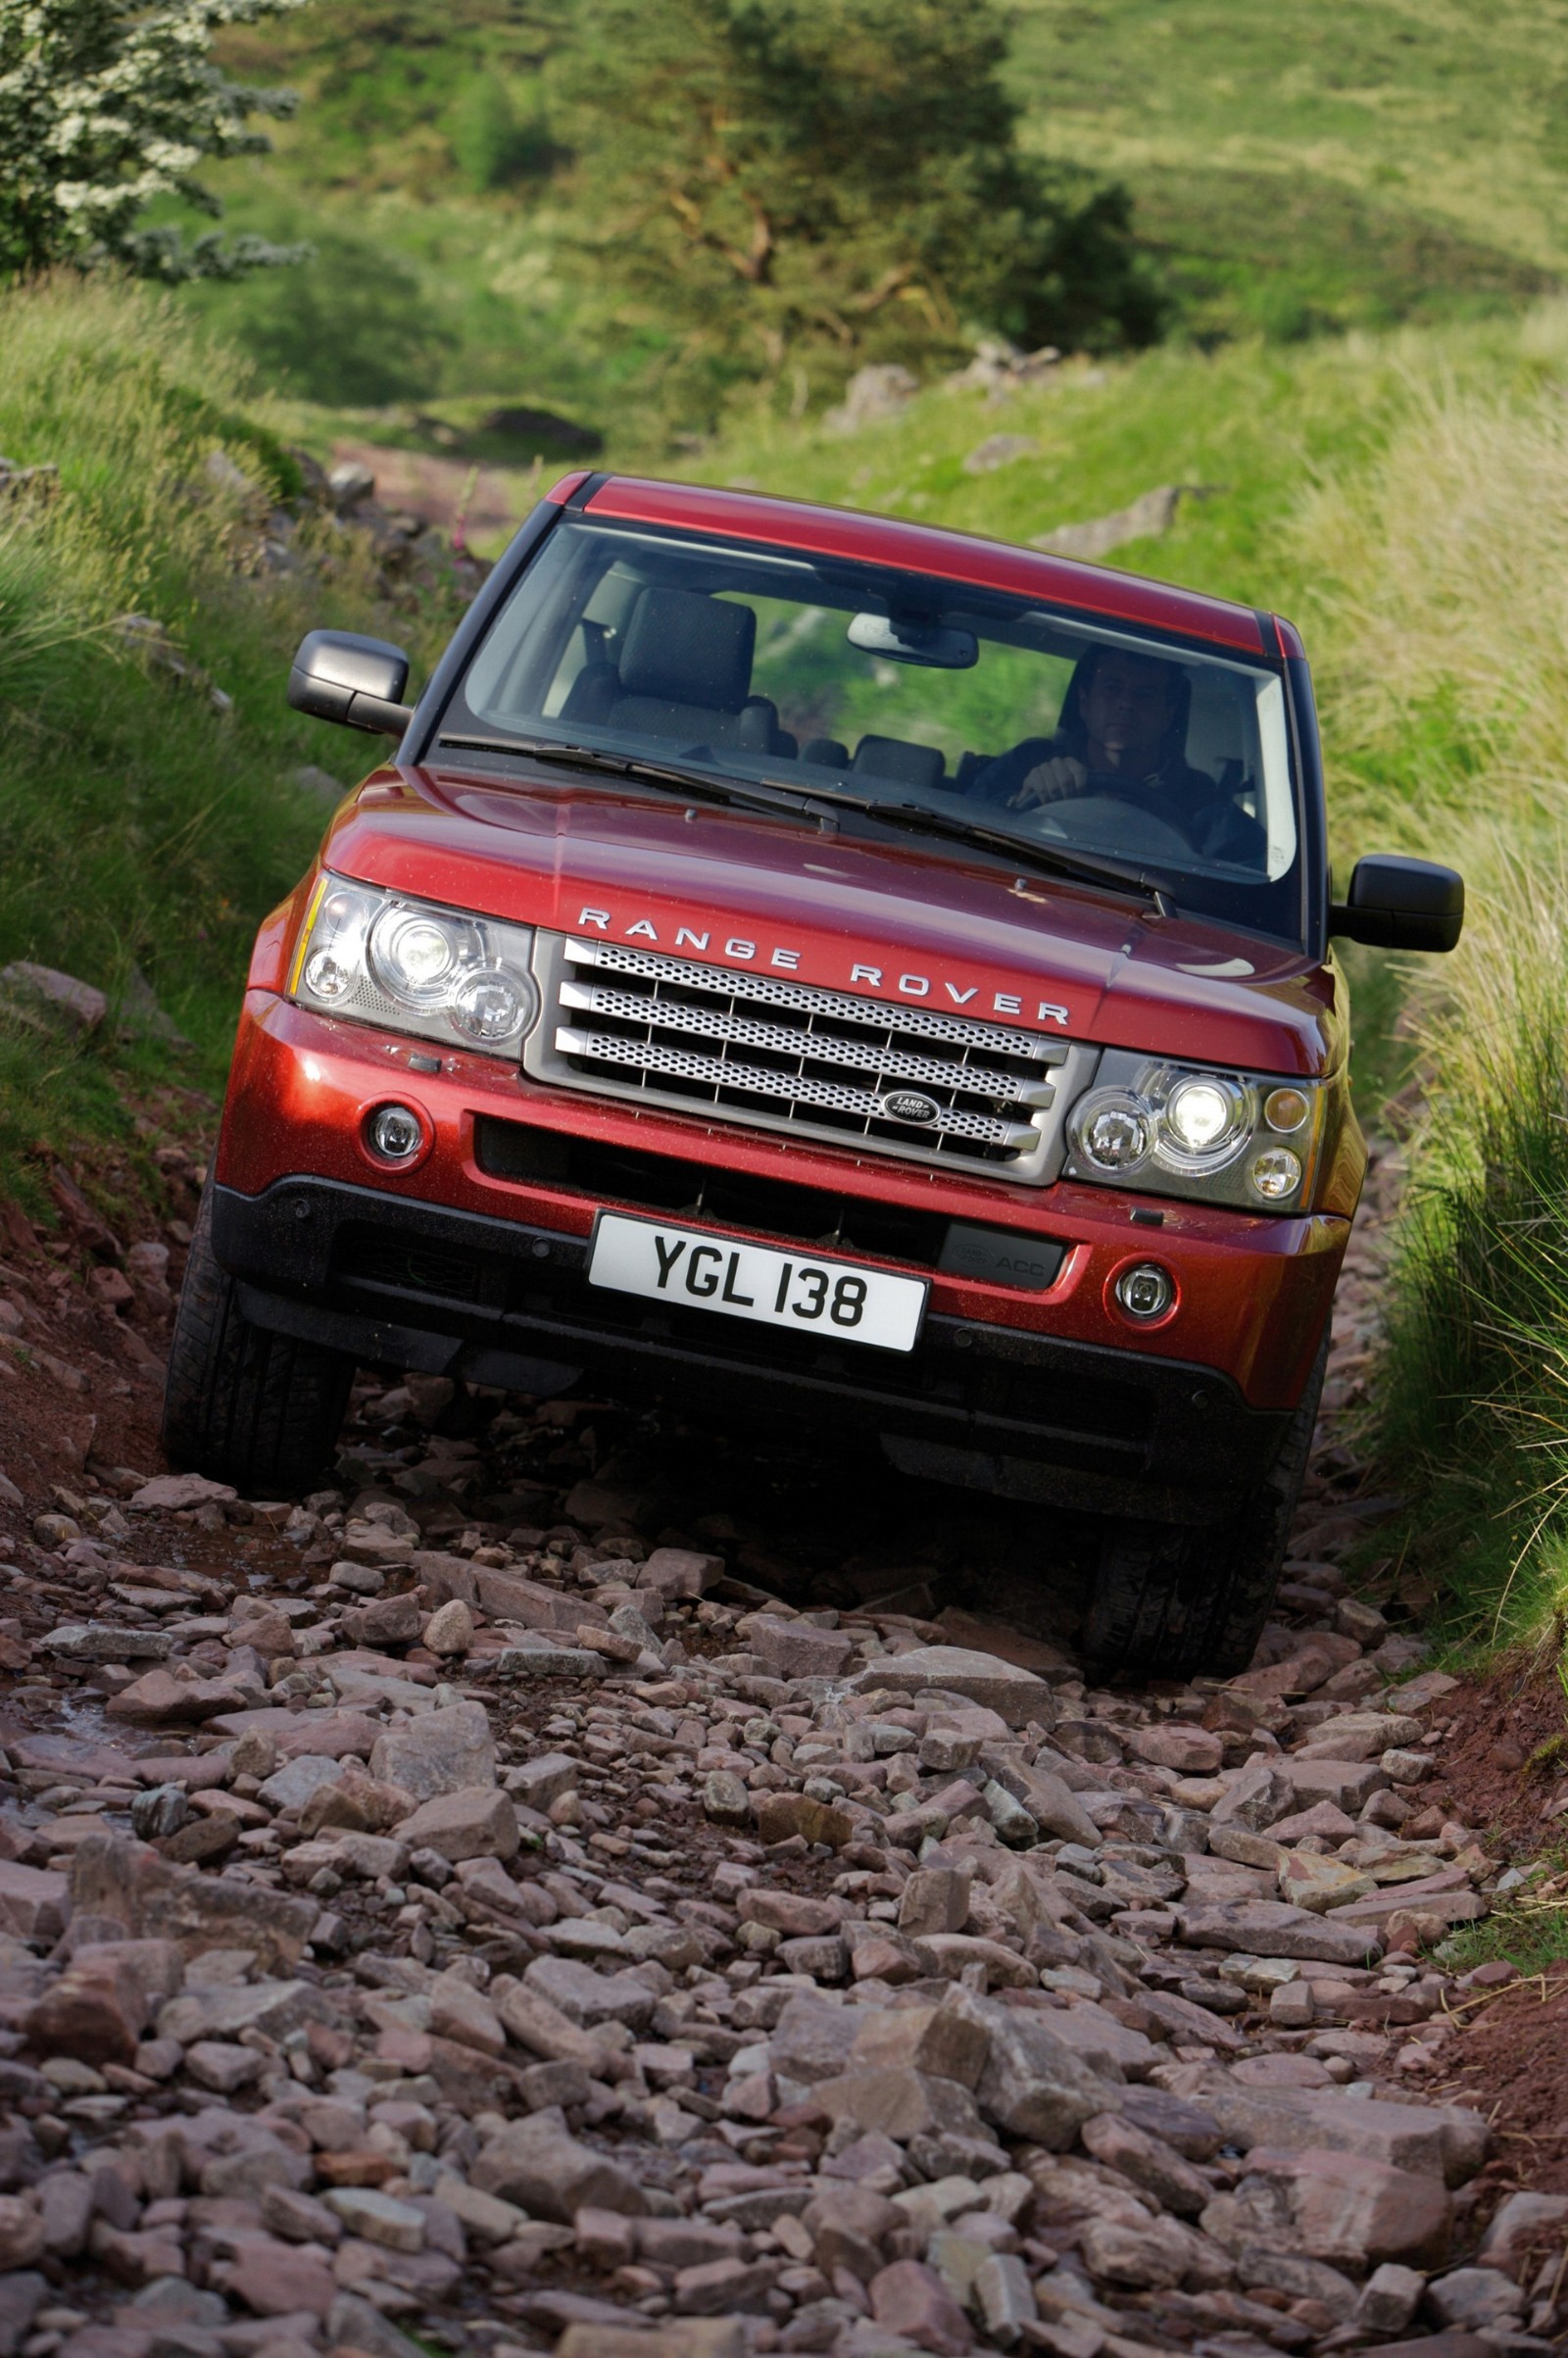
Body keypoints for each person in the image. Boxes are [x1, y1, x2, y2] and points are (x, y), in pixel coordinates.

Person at [975, 642, 1263, 862]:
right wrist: (1018, 801)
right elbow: (966, 826)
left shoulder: (1204, 807)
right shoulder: (1028, 763)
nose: (1126, 704)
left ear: (1168, 714)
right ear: (1084, 702)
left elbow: (1253, 873)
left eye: (1145, 694)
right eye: (1112, 688)